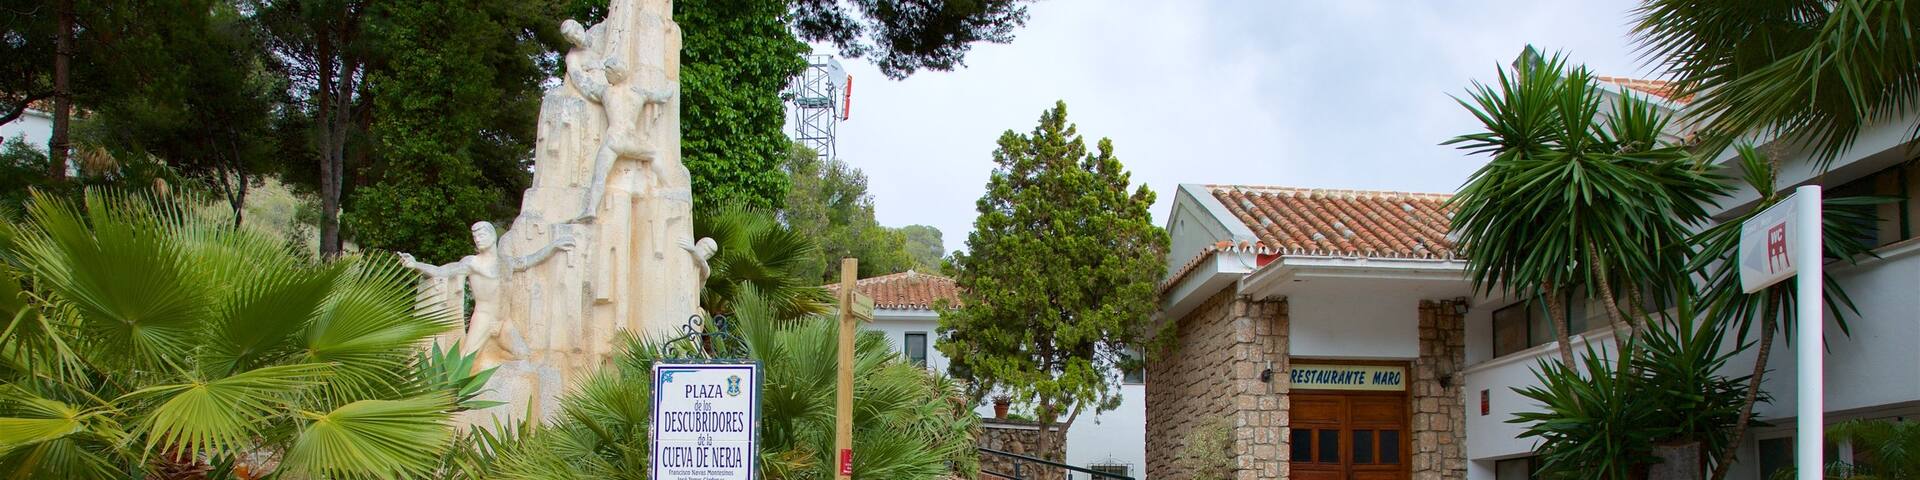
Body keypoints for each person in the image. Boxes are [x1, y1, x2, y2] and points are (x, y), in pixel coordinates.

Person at [398, 222, 574, 358]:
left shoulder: (507, 262)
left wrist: (554, 246)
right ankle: (451, 400)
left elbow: (531, 259)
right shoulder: (472, 262)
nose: (477, 239)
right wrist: (416, 264)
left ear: (492, 236)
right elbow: (443, 271)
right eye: (475, 237)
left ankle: (495, 376)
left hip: (505, 322)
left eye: (481, 235)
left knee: (523, 355)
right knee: (465, 360)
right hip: (483, 319)